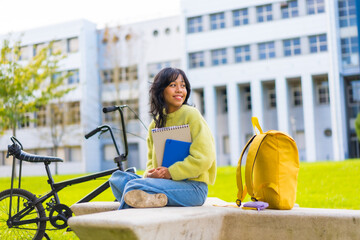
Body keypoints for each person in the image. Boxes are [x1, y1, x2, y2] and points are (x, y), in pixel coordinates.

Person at [109, 67, 216, 209]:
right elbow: (151, 162)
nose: (179, 90)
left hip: (193, 188)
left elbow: (204, 158)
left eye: (183, 86)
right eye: (173, 85)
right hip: (164, 184)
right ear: (161, 90)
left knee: (133, 186)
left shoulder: (191, 115)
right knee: (117, 178)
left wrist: (169, 172)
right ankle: (155, 198)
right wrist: (150, 174)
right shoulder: (155, 124)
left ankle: (123, 222)